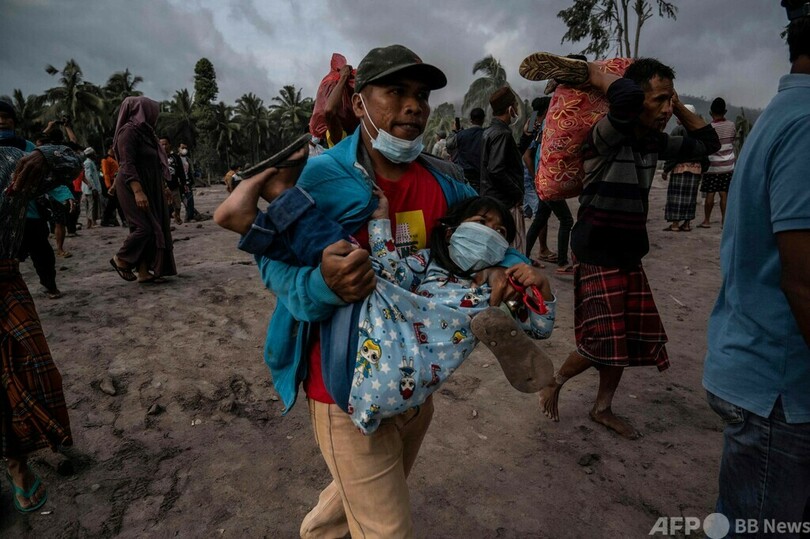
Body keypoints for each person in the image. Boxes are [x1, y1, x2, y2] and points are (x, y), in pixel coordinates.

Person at [218, 44, 524, 538]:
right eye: (396, 92)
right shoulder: (321, 176)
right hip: (344, 386)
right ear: (359, 103)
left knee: (354, 503)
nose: (414, 106)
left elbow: (487, 226)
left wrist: (508, 265)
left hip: (414, 383)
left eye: (421, 95)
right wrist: (323, 284)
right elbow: (273, 267)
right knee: (386, 529)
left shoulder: (445, 181)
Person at [216, 175, 557, 433]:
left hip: (409, 368)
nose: (490, 234)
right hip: (388, 335)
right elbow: (392, 270)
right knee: (352, 261)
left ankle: (268, 208)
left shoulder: (497, 287)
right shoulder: (427, 263)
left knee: (351, 259)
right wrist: (381, 218)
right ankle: (257, 214)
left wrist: (542, 287)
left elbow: (540, 329)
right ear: (450, 232)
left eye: (500, 232)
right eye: (481, 223)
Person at [525, 53, 720, 438]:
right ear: (635, 98)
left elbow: (707, 142)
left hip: (629, 253)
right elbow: (627, 99)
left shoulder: (653, 142)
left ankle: (602, 407)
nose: (666, 109)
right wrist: (594, 74)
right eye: (659, 99)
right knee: (602, 338)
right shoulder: (606, 134)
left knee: (623, 338)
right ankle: (554, 382)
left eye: (669, 100)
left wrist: (677, 105)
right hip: (597, 251)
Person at [704, 0, 810, 529]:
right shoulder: (805, 124)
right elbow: (803, 280)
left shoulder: (781, 113)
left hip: (764, 372)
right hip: (780, 392)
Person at [1, 143, 79, 513]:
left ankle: (17, 461)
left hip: (4, 280)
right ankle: (16, 465)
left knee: (31, 371)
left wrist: (45, 155)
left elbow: (71, 164)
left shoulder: (10, 161)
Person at [110, 96, 177, 284]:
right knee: (144, 227)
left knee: (155, 225)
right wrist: (138, 191)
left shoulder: (147, 133)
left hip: (150, 185)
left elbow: (154, 164)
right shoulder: (128, 132)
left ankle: (143, 271)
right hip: (132, 185)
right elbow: (127, 164)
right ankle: (122, 258)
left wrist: (163, 186)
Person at [522, 96, 575, 274]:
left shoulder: (534, 124)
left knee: (540, 219)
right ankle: (562, 262)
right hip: (544, 179)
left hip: (540, 178)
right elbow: (527, 155)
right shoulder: (546, 126)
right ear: (548, 109)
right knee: (566, 220)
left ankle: (526, 255)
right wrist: (537, 176)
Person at [480, 87, 526, 252]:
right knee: (513, 249)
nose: (517, 109)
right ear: (510, 108)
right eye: (515, 105)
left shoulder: (489, 131)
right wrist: (517, 193)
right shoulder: (502, 134)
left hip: (492, 198)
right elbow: (496, 169)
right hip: (505, 202)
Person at [661, 104, 707, 232]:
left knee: (676, 196)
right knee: (690, 197)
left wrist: (666, 169)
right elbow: (704, 151)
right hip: (696, 169)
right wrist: (704, 168)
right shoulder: (699, 132)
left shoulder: (678, 130)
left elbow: (672, 151)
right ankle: (686, 224)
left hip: (680, 169)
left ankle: (675, 224)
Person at [698, 97, 736, 229]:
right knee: (724, 193)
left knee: (710, 192)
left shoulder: (709, 128)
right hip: (727, 166)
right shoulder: (731, 125)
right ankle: (724, 221)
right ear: (725, 111)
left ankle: (706, 221)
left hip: (712, 166)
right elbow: (733, 139)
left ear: (710, 112)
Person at [446, 107, 485, 192]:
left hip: (464, 177)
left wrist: (454, 131)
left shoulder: (461, 135)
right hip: (482, 178)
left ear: (471, 120)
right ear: (483, 120)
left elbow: (449, 144)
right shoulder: (487, 135)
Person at [158, 135, 188, 224]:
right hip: (162, 187)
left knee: (177, 204)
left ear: (169, 144)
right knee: (165, 207)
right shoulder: (157, 157)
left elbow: (181, 171)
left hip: (174, 185)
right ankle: (166, 224)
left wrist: (184, 183)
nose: (164, 146)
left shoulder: (175, 157)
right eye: (162, 144)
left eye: (166, 144)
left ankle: (176, 215)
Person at [100, 144, 124, 227]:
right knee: (116, 203)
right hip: (111, 183)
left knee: (113, 204)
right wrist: (109, 186)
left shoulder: (115, 158)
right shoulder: (105, 159)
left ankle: (106, 220)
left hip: (117, 182)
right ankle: (123, 220)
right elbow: (105, 173)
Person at [81, 147, 101, 229]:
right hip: (90, 188)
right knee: (92, 205)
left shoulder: (89, 162)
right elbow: (88, 176)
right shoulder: (88, 163)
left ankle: (89, 223)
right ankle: (92, 222)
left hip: (89, 188)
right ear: (91, 155)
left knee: (89, 205)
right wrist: (93, 188)